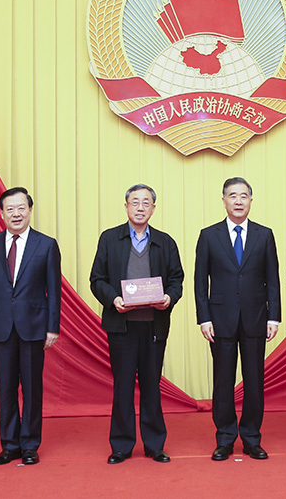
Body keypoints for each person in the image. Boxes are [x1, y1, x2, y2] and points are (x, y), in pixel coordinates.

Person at [90, 184, 183, 464]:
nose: (140, 207)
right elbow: (97, 279)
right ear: (126, 206)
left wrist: (169, 298)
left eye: (145, 203)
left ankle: (155, 445)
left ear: (153, 208)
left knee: (152, 385)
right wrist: (114, 299)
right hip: (122, 326)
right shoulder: (109, 238)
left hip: (154, 326)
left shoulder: (165, 242)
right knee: (123, 386)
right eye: (135, 202)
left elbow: (177, 279)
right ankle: (121, 445)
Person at [195, 177, 280, 461]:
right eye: (233, 196)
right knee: (223, 382)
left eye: (244, 196)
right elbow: (200, 281)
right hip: (220, 320)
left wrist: (274, 317)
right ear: (224, 201)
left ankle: (252, 438)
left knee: (254, 381)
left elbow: (273, 279)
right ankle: (225, 438)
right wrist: (204, 318)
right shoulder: (209, 235)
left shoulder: (264, 235)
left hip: (256, 318)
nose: (238, 201)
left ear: (251, 201)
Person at [0, 187, 61, 466]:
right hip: (0, 327)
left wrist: (53, 327)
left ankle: (30, 445)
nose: (16, 213)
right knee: (6, 388)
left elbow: (54, 290)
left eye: (21, 208)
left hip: (34, 326)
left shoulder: (46, 245)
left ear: (30, 210)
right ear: (1, 213)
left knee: (33, 389)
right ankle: (9, 445)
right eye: (9, 209)